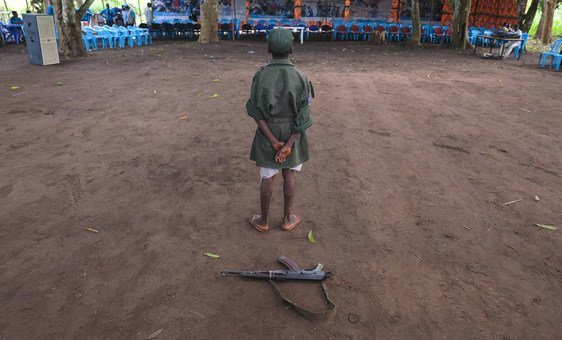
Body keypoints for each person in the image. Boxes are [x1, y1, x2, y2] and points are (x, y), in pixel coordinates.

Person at [246, 28, 313, 232]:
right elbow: (303, 116)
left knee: (267, 176)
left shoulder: (260, 76)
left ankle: (263, 220)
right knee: (289, 173)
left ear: (268, 48)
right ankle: (287, 218)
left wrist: (274, 141)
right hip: (293, 132)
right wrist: (288, 145)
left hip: (268, 131)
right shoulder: (301, 77)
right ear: (291, 49)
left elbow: (255, 112)